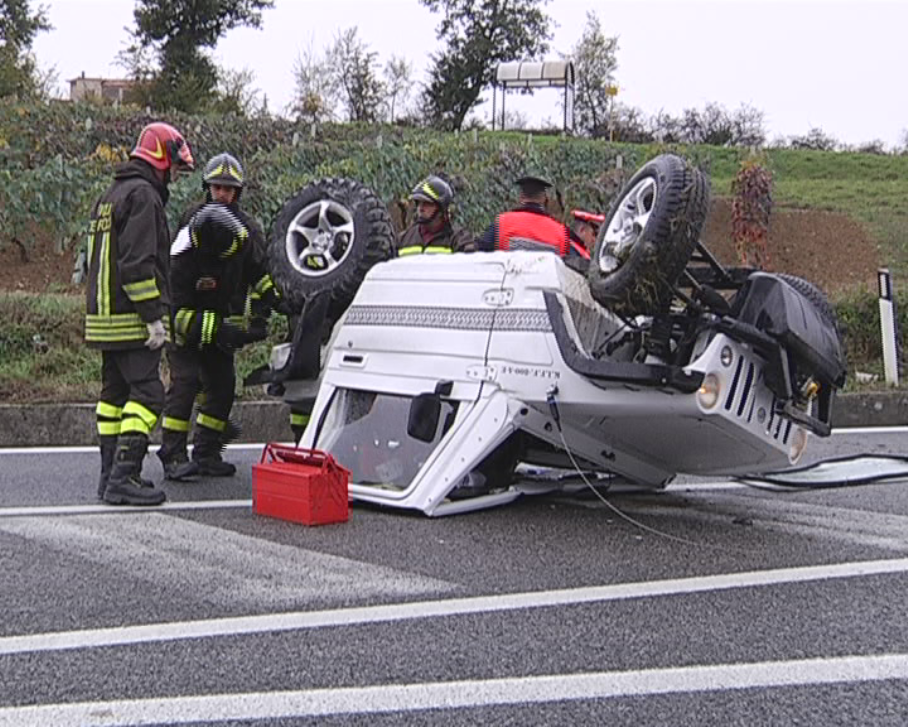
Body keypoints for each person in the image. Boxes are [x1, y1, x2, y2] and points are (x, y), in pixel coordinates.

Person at [85, 121, 194, 506]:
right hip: (132, 320)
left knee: (114, 397)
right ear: (162, 158)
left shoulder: (109, 196)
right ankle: (124, 476)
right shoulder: (144, 197)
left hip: (103, 319)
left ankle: (108, 477)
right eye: (176, 169)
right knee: (148, 395)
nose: (176, 177)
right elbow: (137, 265)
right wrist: (153, 317)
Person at [158, 153, 281, 480]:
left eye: (229, 189)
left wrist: (266, 309)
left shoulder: (248, 231)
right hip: (187, 319)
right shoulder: (190, 226)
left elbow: (260, 274)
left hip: (222, 320)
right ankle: (172, 454)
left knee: (223, 385)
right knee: (186, 383)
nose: (222, 194)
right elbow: (174, 286)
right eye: (216, 187)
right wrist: (204, 326)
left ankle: (207, 452)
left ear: (238, 192)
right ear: (206, 188)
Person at [474, 175, 589, 259]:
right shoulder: (561, 233)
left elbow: (478, 252)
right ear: (544, 199)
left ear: (521, 197)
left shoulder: (502, 223)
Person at [397, 175, 474, 255]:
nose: (421, 208)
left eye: (427, 203)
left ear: (441, 208)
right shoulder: (403, 239)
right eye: (419, 203)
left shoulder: (458, 239)